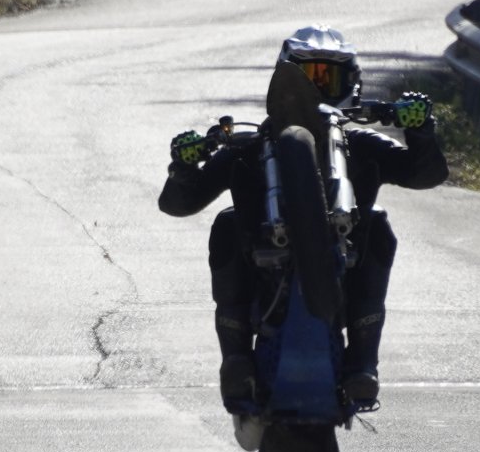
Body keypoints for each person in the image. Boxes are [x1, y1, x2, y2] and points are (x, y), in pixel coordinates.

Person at [159, 25, 445, 413]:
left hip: (347, 275)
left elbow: (425, 175)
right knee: (227, 222)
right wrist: (183, 167)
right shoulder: (246, 150)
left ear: (352, 84)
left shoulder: (363, 147)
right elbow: (179, 204)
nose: (316, 91)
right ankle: (235, 357)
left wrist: (422, 130)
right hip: (260, 274)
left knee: (378, 224)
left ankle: (363, 362)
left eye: (328, 80)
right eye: (307, 79)